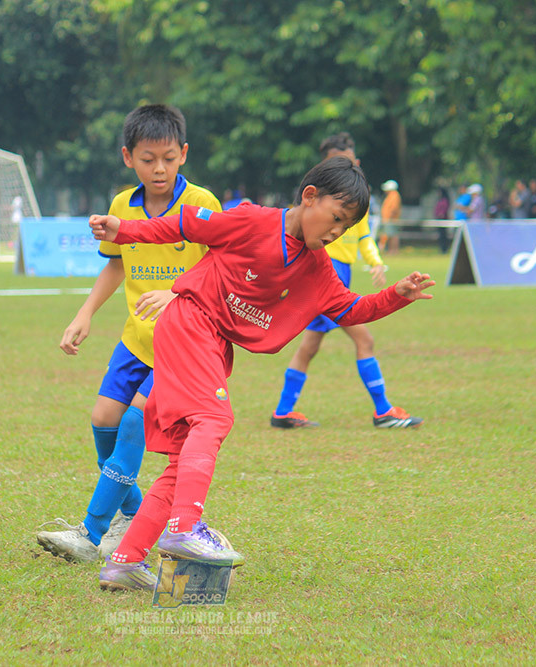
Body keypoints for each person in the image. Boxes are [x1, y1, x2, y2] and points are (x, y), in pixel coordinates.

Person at [92, 157, 435, 591]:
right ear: (309, 197)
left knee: (181, 466)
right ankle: (184, 529)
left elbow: (350, 308)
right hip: (190, 321)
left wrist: (396, 295)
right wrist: (125, 230)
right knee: (214, 419)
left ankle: (124, 562)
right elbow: (184, 224)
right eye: (336, 218)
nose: (337, 232)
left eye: (346, 227)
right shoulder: (253, 220)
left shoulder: (316, 266)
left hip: (211, 341)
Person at [36, 104, 222, 563]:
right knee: (104, 420)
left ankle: (90, 534)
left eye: (168, 158)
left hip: (184, 343)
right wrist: (84, 314)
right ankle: (131, 514)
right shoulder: (122, 206)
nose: (159, 168)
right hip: (136, 339)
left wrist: (177, 291)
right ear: (128, 157)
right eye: (147, 159)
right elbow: (117, 264)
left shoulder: (202, 203)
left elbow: (222, 268)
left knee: (135, 423)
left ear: (183, 154)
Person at [270, 132, 422, 431]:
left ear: (356, 162)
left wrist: (375, 262)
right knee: (364, 340)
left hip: (339, 275)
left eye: (347, 162)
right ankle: (384, 410)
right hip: (325, 276)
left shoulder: (357, 200)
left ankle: (283, 411)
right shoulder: (321, 205)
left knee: (309, 346)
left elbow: (364, 237)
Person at [377, 179, 401, 254]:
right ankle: (391, 250)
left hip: (391, 220)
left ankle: (393, 250)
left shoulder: (394, 195)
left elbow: (393, 208)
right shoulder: (391, 195)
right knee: (390, 234)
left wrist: (390, 218)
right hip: (388, 219)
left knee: (392, 235)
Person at [433, 186, 451, 254]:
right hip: (439, 220)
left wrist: (441, 214)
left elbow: (444, 209)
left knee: (443, 235)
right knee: (440, 235)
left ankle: (444, 249)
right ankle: (442, 248)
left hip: (443, 220)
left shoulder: (444, 200)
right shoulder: (439, 200)